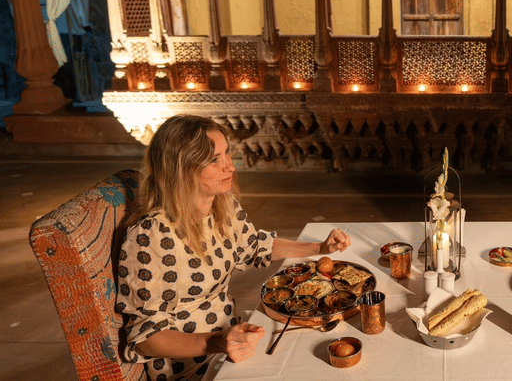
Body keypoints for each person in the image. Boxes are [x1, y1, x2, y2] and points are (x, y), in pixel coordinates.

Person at [116, 114, 351, 381]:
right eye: (215, 160)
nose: (231, 167)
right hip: (191, 364)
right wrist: (217, 342)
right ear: (182, 169)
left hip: (232, 338)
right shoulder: (151, 236)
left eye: (227, 154)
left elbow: (253, 247)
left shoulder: (220, 206)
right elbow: (147, 339)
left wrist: (320, 246)